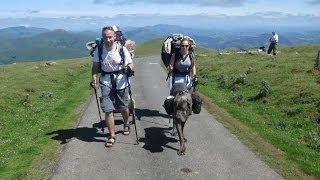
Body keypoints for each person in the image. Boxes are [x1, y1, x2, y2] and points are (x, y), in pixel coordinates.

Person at [91, 26, 133, 148]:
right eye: (105, 37)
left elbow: (130, 62)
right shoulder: (99, 50)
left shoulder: (122, 49)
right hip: (105, 82)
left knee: (123, 106)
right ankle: (112, 135)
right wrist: (94, 77)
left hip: (121, 81)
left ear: (115, 37)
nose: (108, 40)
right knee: (108, 109)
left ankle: (126, 124)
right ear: (102, 38)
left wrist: (129, 68)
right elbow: (95, 66)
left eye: (110, 37)